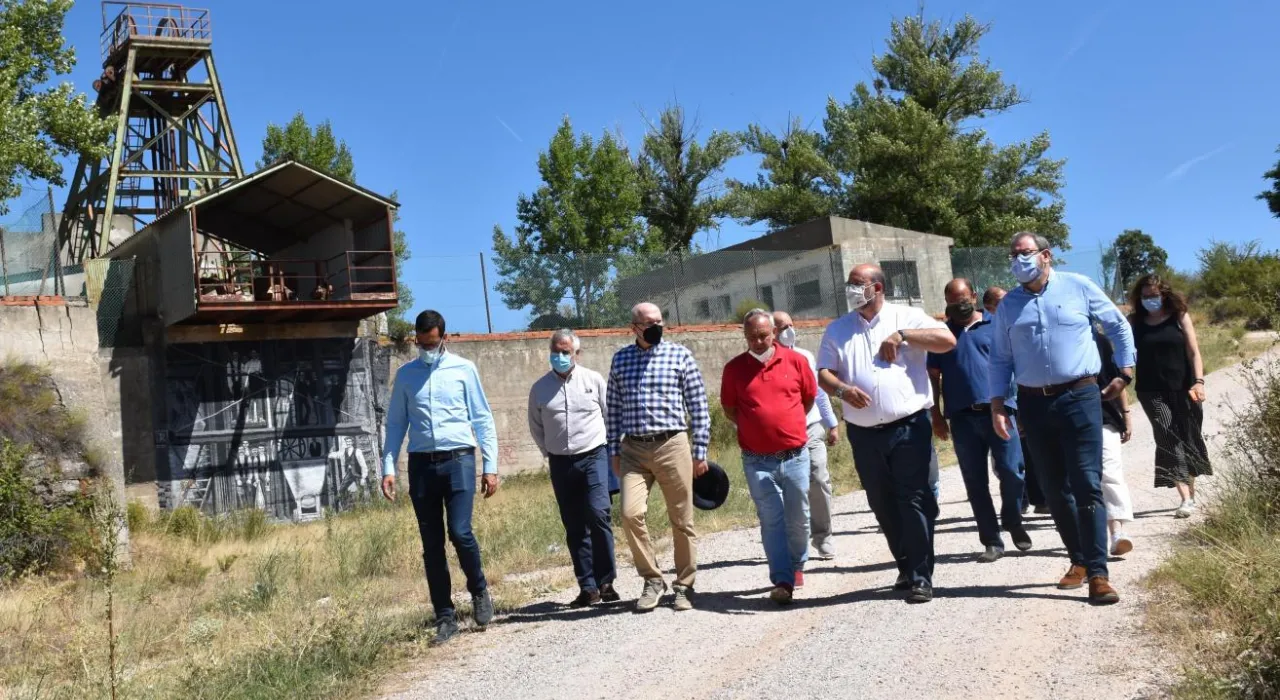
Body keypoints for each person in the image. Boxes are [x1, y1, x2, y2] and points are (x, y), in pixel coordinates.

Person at [989, 232, 1135, 606]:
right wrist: (998, 403)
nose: (1019, 260)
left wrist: (1125, 369)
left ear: (1046, 256)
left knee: (1087, 482)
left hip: (1080, 396)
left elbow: (1117, 326)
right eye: (1014, 255)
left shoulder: (1078, 287)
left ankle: (1099, 574)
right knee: (1055, 489)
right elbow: (1002, 359)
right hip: (1034, 404)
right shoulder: (1008, 306)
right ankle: (1078, 559)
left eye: (1025, 253)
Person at [817, 264, 956, 603]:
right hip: (864, 434)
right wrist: (842, 390)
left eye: (857, 283)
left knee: (914, 498)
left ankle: (922, 576)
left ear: (877, 287)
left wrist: (905, 336)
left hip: (908, 427)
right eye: (849, 283)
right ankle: (906, 566)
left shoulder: (906, 316)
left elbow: (947, 341)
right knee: (882, 503)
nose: (851, 289)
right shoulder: (838, 329)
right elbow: (823, 373)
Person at [382, 310, 498, 645]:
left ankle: (479, 591)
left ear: (444, 338)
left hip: (459, 459)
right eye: (421, 343)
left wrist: (490, 465)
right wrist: (388, 467)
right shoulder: (406, 376)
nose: (426, 348)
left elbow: (482, 418)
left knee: (460, 532)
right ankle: (445, 616)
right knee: (431, 545)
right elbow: (395, 425)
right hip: (421, 466)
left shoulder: (464, 369)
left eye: (432, 343)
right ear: (416, 338)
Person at [607, 302, 711, 612]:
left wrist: (699, 451)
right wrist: (613, 449)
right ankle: (652, 579)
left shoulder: (680, 355)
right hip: (633, 450)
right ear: (634, 327)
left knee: (681, 518)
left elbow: (699, 406)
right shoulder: (621, 359)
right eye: (649, 322)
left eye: (659, 320)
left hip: (672, 445)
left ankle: (684, 585)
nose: (656, 326)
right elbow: (613, 407)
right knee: (629, 513)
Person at [928, 279, 1032, 563]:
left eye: (963, 298)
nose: (958, 304)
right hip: (962, 418)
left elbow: (1015, 365)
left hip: (1000, 412)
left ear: (973, 296)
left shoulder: (996, 325)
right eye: (952, 300)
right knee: (975, 482)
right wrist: (936, 415)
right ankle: (992, 541)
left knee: (1013, 471)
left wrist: (1019, 408)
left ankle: (1012, 518)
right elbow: (933, 377)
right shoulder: (941, 334)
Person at [722, 309, 817, 605]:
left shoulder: (796, 361)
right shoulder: (735, 369)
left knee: (798, 515)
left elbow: (808, 398)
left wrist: (783, 425)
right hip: (756, 460)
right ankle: (782, 579)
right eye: (752, 337)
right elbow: (729, 409)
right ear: (745, 337)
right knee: (771, 518)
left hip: (795, 456)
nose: (758, 341)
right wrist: (757, 428)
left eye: (763, 335)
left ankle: (798, 562)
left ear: (774, 332)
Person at [527, 329, 618, 607]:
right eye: (555, 351)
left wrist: (613, 450)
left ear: (576, 353)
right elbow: (536, 426)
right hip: (560, 462)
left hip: (594, 456)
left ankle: (606, 582)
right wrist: (550, 452)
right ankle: (587, 587)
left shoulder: (593, 380)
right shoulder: (540, 389)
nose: (560, 356)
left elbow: (608, 414)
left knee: (598, 513)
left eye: (565, 352)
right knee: (574, 524)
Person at [1128, 274, 1211, 518]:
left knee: (1189, 438)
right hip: (1150, 391)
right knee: (1167, 435)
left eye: (1153, 296)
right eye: (1145, 296)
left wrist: (1199, 382)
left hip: (1185, 388)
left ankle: (1191, 491)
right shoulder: (1134, 321)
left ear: (1164, 294)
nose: (1149, 300)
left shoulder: (1179, 316)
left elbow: (1193, 352)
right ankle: (1184, 497)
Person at [773, 310, 841, 560]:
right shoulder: (764, 361)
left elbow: (819, 393)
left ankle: (823, 537)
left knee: (818, 477)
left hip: (810, 427)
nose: (788, 330)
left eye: (790, 325)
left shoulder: (805, 356)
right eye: (781, 327)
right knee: (787, 487)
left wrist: (832, 423)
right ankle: (789, 541)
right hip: (779, 434)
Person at [984, 286, 1049, 516]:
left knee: (1031, 448)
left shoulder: (1017, 322)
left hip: (1023, 393)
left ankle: (1040, 498)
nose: (1007, 303)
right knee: (1010, 455)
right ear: (989, 307)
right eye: (1001, 301)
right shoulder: (987, 329)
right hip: (1003, 398)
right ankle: (1018, 501)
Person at [1092, 330, 1136, 555]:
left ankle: (1117, 532)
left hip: (1104, 416)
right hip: (1067, 419)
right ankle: (1087, 539)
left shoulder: (1099, 341)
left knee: (1110, 472)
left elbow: (1116, 380)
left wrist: (1126, 414)